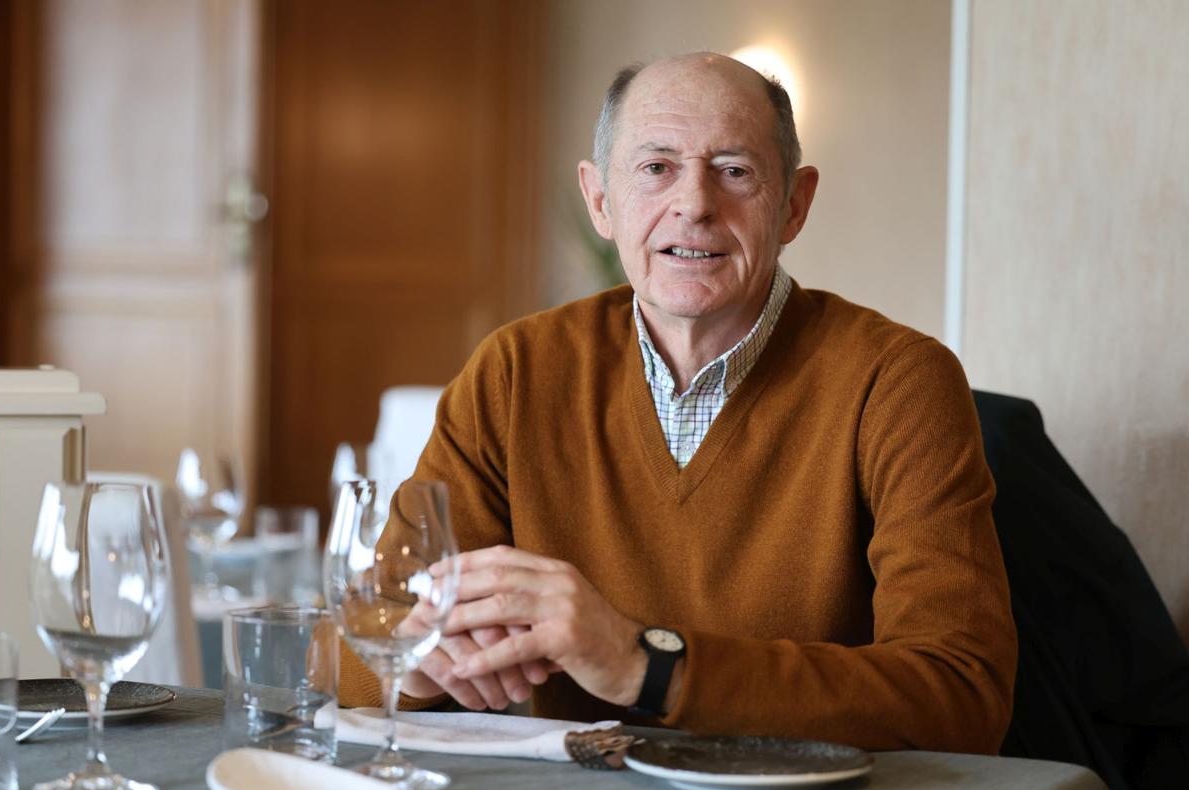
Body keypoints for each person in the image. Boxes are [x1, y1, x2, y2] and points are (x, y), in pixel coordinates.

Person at [338, 52, 1017, 753]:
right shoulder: (514, 373)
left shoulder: (899, 382)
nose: (694, 204)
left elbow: (963, 695)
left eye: (734, 170)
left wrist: (647, 665)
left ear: (793, 204)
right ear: (600, 200)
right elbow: (360, 644)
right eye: (656, 168)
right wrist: (418, 665)